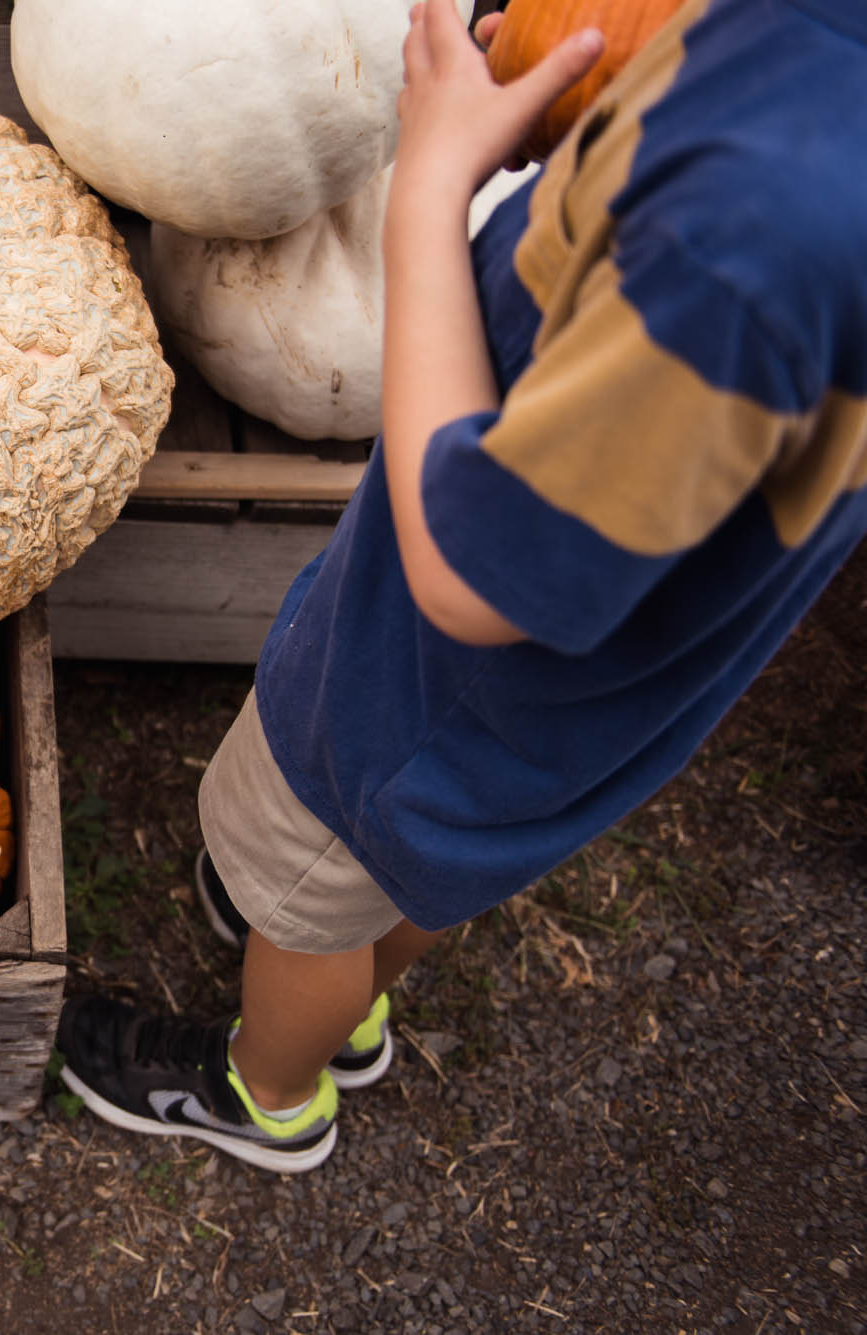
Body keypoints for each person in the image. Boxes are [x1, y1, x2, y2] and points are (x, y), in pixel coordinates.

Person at [58, 0, 867, 1172]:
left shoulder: (740, 244)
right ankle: (351, 994)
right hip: (583, 701)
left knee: (308, 876)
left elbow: (471, 579)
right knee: (417, 870)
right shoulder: (792, 128)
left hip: (430, 694)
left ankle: (267, 1089)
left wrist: (428, 195)